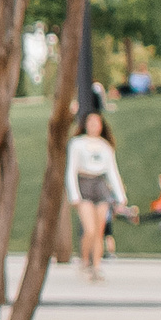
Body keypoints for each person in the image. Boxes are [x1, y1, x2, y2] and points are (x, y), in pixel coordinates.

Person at [65, 110, 130, 282]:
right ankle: (84, 259)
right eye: (90, 122)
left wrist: (120, 196)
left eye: (97, 122)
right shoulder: (76, 144)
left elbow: (112, 171)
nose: (94, 126)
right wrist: (74, 195)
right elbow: (71, 170)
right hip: (84, 183)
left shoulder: (105, 146)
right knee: (90, 229)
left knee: (99, 230)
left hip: (100, 185)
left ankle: (96, 266)